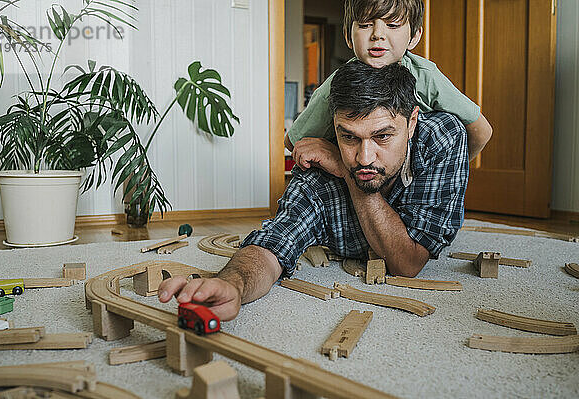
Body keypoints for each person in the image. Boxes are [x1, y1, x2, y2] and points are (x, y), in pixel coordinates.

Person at [159, 61, 469, 321]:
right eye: (348, 138)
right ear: (334, 127)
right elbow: (271, 247)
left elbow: (408, 264)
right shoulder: (316, 176)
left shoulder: (443, 139)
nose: (364, 158)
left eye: (383, 137)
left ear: (412, 123)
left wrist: (350, 178)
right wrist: (233, 284)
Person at [286, 0, 492, 167]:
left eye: (392, 25)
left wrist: (448, 167)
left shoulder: (427, 77)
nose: (378, 34)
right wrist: (338, 157)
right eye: (366, 25)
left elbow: (481, 131)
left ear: (414, 36)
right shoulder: (336, 86)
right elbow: (293, 142)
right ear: (348, 36)